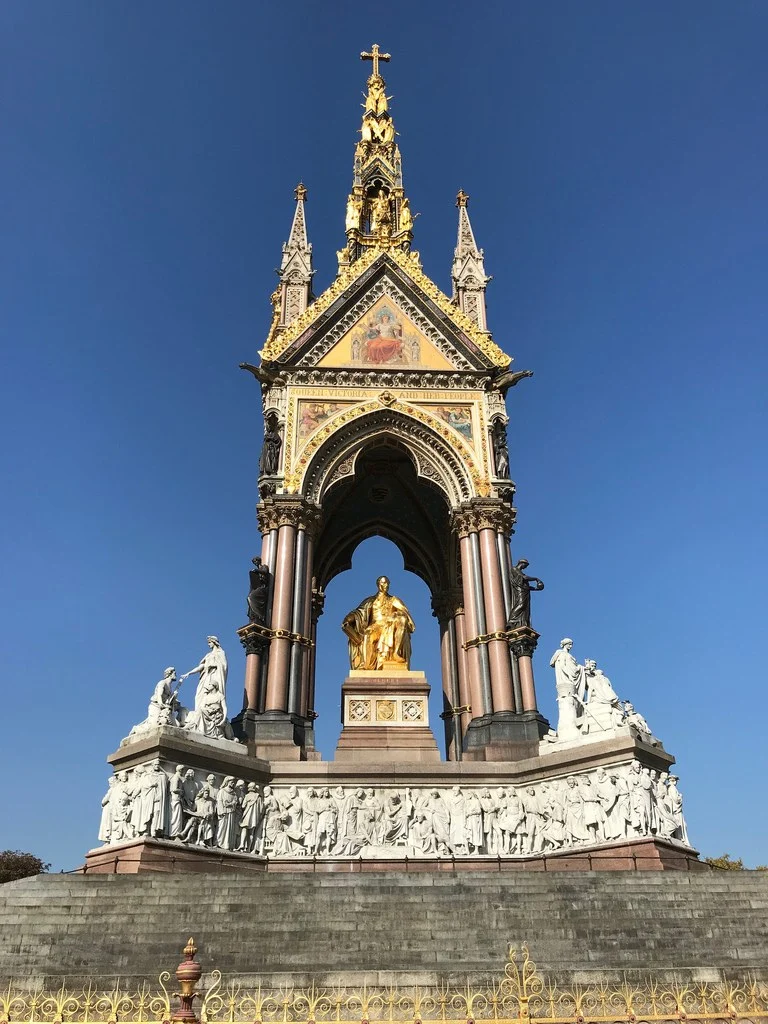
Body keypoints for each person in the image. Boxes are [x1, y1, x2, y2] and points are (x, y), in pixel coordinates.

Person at [342, 576, 415, 671]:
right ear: (378, 584)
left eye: (387, 583)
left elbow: (405, 614)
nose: (386, 585)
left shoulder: (394, 600)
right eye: (384, 583)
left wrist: (395, 614)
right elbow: (359, 612)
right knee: (368, 635)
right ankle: (366, 665)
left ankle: (395, 653)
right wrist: (350, 618)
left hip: (390, 626)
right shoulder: (370, 600)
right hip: (375, 627)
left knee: (401, 619)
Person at [180, 637, 233, 740]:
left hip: (214, 677)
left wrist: (213, 665)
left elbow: (223, 666)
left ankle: (207, 723)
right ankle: (200, 722)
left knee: (210, 697)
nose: (209, 645)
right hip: (206, 678)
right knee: (199, 697)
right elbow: (201, 667)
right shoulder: (208, 655)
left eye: (209, 643)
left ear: (214, 642)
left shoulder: (220, 653)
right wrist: (189, 673)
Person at [549, 639, 586, 740]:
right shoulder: (561, 654)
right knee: (568, 701)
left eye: (571, 644)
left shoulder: (567, 655)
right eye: (569, 644)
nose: (570, 646)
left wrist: (580, 668)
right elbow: (562, 666)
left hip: (568, 682)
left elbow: (572, 668)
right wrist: (579, 669)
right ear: (564, 644)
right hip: (565, 682)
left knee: (572, 702)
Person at [507, 560, 544, 629]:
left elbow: (525, 586)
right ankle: (512, 620)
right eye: (525, 566)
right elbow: (525, 578)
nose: (525, 567)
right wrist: (536, 579)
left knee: (525, 608)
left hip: (525, 591)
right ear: (522, 563)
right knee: (521, 605)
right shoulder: (514, 569)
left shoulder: (520, 572)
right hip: (520, 591)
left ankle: (523, 622)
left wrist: (536, 588)